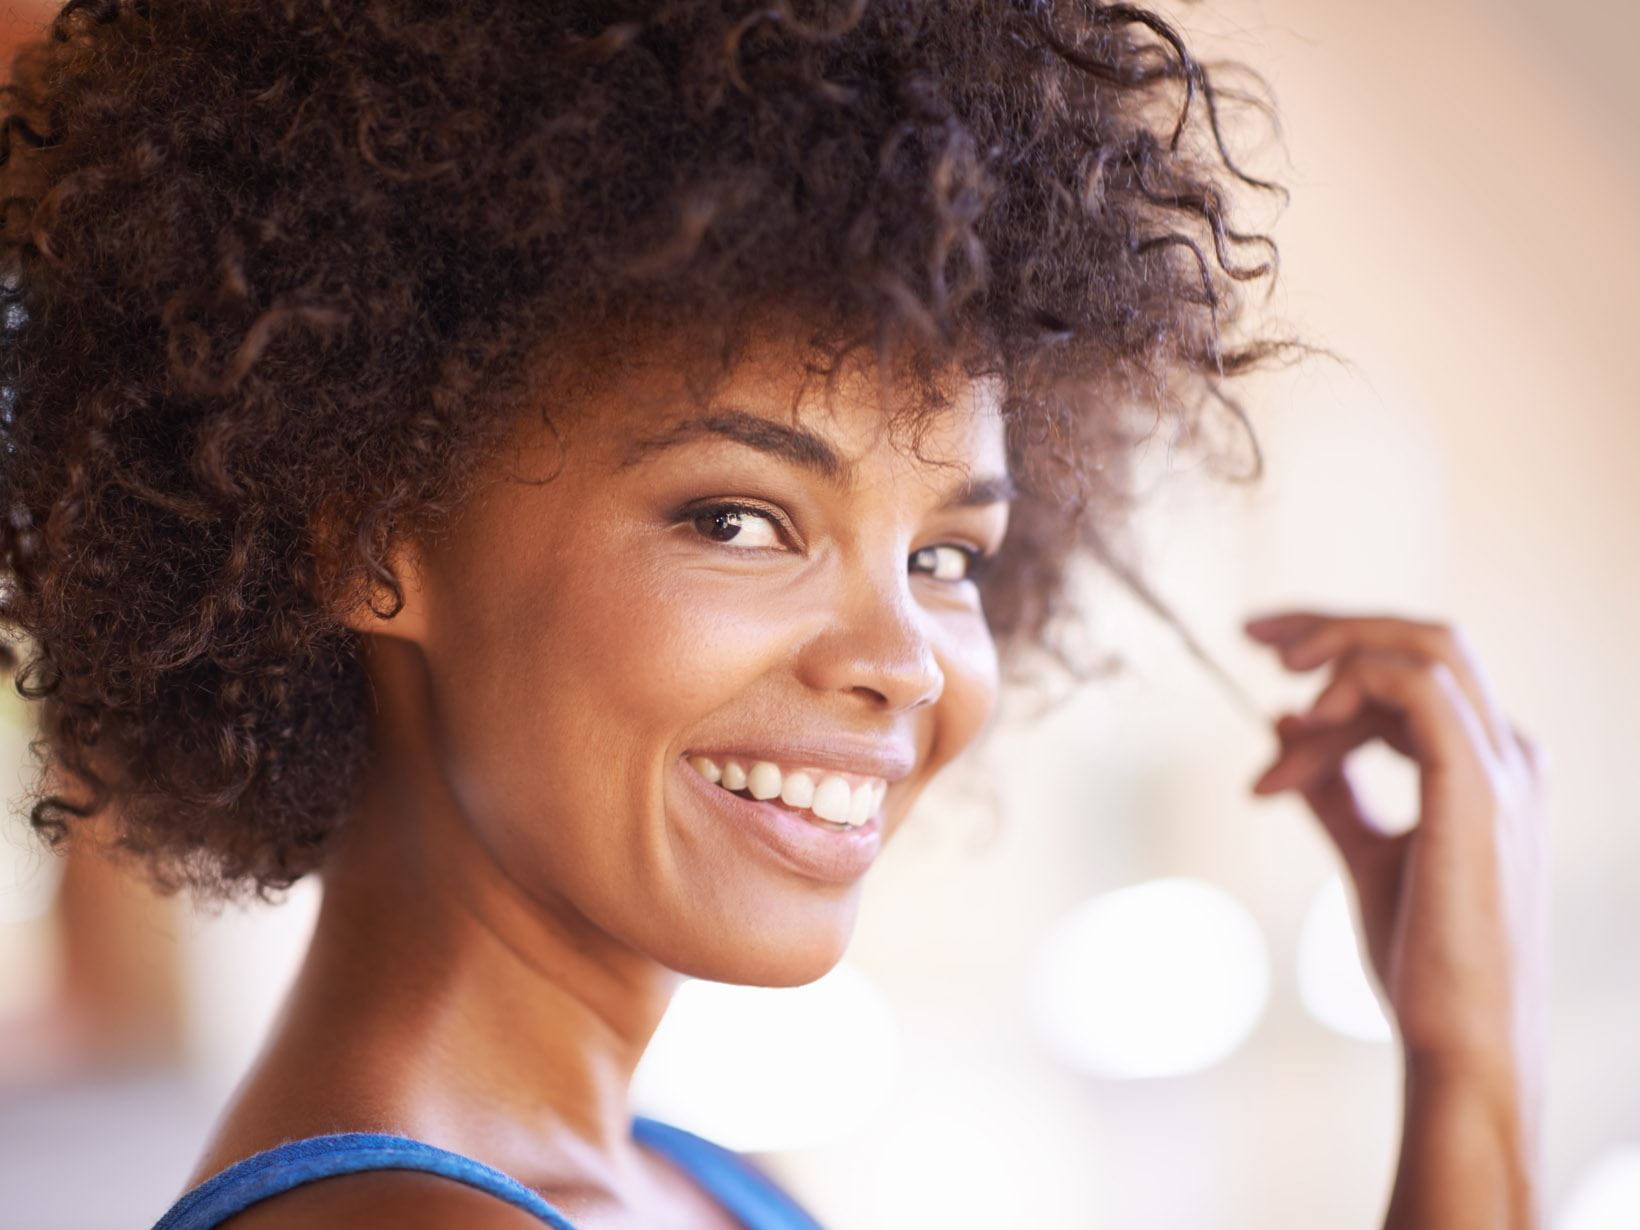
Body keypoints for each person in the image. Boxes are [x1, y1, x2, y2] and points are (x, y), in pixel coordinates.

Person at [0, 2, 1549, 1227]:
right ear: (362, 524)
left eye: (948, 554)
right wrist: (1476, 1076)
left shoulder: (692, 1184)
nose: (894, 661)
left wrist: (1463, 1044)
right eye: (740, 517)